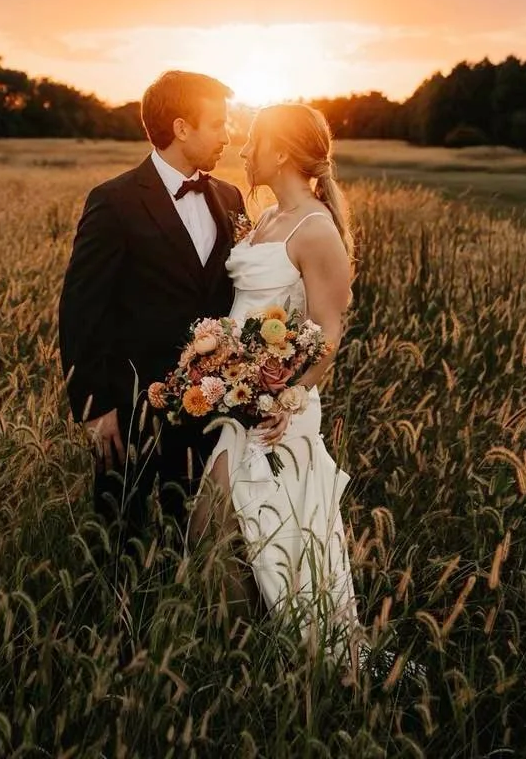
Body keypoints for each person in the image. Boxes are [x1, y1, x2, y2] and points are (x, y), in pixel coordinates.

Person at [190, 102, 360, 649]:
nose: (244, 151)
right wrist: (215, 359)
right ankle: (238, 656)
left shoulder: (317, 230)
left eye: (254, 141)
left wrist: (282, 398)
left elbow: (327, 337)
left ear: (281, 151)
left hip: (277, 412)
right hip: (235, 400)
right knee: (215, 531)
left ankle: (294, 655)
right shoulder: (265, 219)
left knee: (270, 536)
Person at [58, 70, 246, 541]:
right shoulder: (114, 200)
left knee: (202, 539)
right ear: (182, 128)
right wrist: (96, 408)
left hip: (217, 409)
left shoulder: (229, 197)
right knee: (126, 542)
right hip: (135, 411)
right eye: (218, 124)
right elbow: (81, 311)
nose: (229, 135)